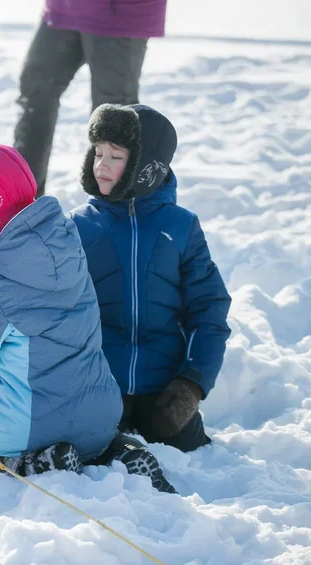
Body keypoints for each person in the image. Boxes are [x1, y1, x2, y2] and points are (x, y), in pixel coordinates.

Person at [0, 143, 175, 492]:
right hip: (100, 414)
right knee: (93, 443)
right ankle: (120, 454)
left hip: (26, 426)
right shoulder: (67, 242)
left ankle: (36, 462)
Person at [70, 104, 231, 453]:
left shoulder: (180, 226)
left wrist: (192, 383)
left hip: (163, 389)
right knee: (96, 450)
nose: (101, 164)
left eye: (116, 155)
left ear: (147, 166)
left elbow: (209, 309)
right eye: (97, 152)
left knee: (188, 449)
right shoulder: (78, 226)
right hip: (100, 384)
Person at [13, 0, 167, 197]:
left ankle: (111, 211)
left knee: (114, 118)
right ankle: (23, 200)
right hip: (64, 9)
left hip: (120, 14)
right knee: (36, 94)